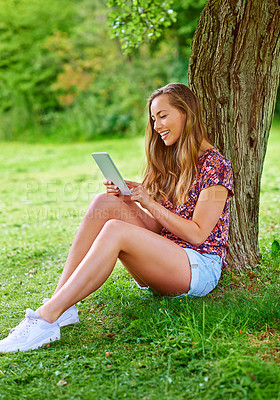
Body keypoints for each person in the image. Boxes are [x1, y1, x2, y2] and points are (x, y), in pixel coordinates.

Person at [0, 83, 234, 353]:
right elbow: (158, 228)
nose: (157, 125)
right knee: (106, 202)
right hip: (168, 258)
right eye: (153, 118)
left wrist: (147, 201)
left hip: (198, 268)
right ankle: (63, 306)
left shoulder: (216, 166)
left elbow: (197, 234)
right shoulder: (171, 161)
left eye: (163, 115)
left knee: (116, 230)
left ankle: (46, 318)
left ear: (186, 113)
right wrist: (129, 199)